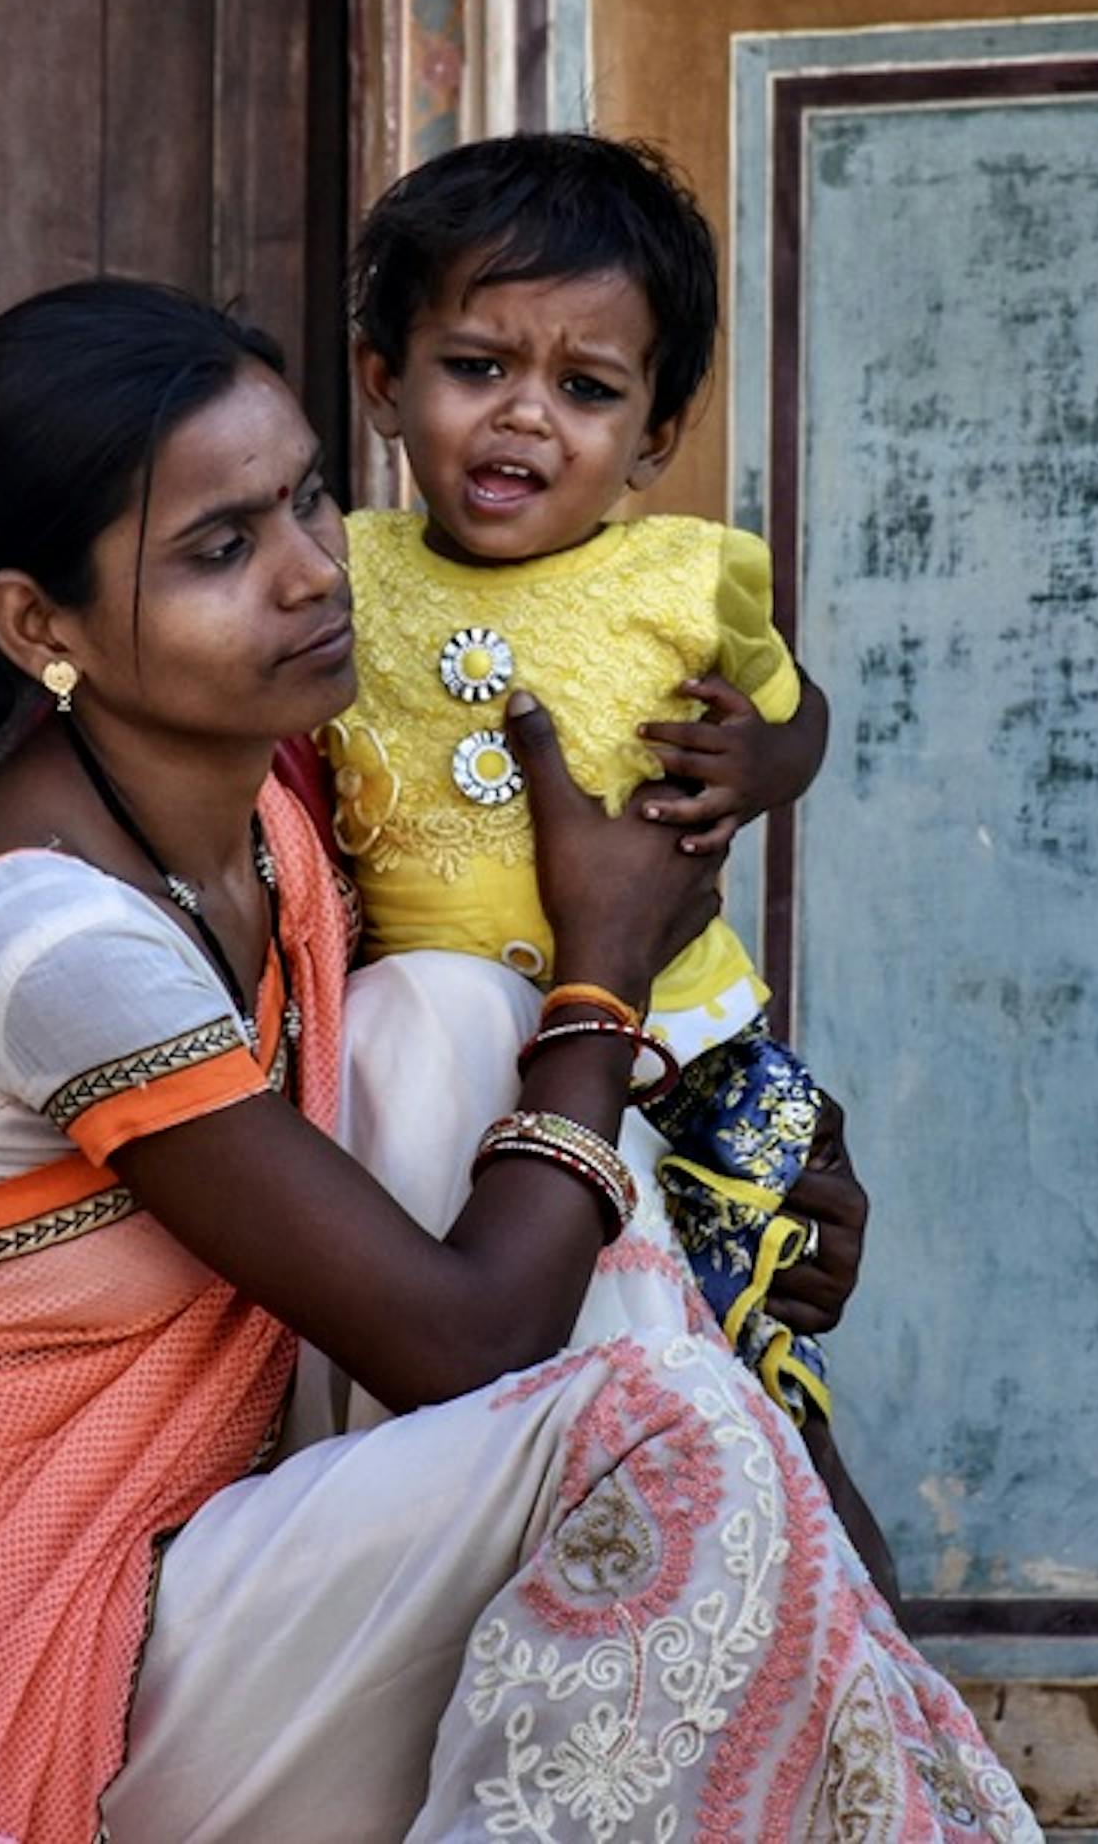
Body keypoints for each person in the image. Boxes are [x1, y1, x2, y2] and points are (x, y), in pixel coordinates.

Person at [0, 279, 1036, 1843]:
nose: (311, 575)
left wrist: (744, 1200)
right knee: (661, 1427)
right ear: (39, 627)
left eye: (306, 499)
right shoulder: (54, 943)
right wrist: (604, 969)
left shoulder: (272, 807)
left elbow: (718, 788)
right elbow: (466, 1341)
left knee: (455, 1014)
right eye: (221, 550)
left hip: (177, 1529)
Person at [328, 133, 886, 1567]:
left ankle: (848, 1636)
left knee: (744, 1351)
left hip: (687, 1042)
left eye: (584, 390)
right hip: (445, 1072)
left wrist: (761, 766)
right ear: (383, 380)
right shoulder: (337, 576)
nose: (524, 419)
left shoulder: (680, 580)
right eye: (476, 368)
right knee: (531, 1400)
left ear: (649, 436)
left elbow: (797, 710)